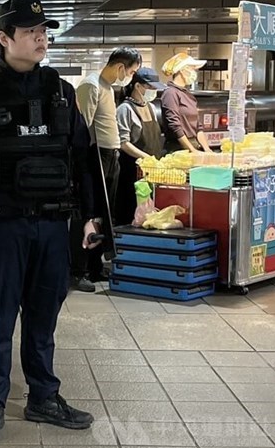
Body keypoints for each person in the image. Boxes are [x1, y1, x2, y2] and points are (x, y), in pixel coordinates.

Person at [0, 0, 98, 446]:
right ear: (4, 39)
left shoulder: (61, 91)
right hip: (2, 224)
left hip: (53, 224)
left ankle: (43, 397)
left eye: (43, 32)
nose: (40, 38)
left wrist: (90, 218)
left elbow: (83, 158)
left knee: (43, 315)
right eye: (31, 32)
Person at [70, 47, 142, 292]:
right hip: (94, 156)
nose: (130, 76)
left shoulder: (109, 88)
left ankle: (94, 267)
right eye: (131, 71)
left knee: (104, 213)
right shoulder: (91, 86)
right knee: (88, 213)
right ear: (121, 67)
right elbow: (82, 128)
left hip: (111, 155)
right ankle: (78, 270)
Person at [115, 67, 165, 225]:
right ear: (138, 86)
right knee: (132, 212)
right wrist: (147, 157)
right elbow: (123, 143)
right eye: (151, 87)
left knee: (148, 214)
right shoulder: (125, 109)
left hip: (150, 171)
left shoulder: (150, 107)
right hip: (131, 171)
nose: (154, 91)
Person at [160, 52, 212, 153]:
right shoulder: (170, 93)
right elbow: (175, 126)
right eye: (192, 68)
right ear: (182, 70)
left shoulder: (187, 94)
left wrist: (207, 149)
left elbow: (198, 126)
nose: (194, 72)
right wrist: (192, 150)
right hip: (178, 149)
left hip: (193, 145)